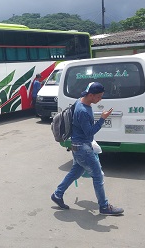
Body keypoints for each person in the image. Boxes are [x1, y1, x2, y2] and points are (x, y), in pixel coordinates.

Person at [51, 82, 124, 216]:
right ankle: (104, 206)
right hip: (83, 148)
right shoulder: (83, 111)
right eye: (99, 97)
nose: (100, 99)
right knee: (98, 176)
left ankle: (57, 194)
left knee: (75, 173)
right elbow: (89, 132)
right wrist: (102, 119)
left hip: (77, 146)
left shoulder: (80, 102)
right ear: (90, 95)